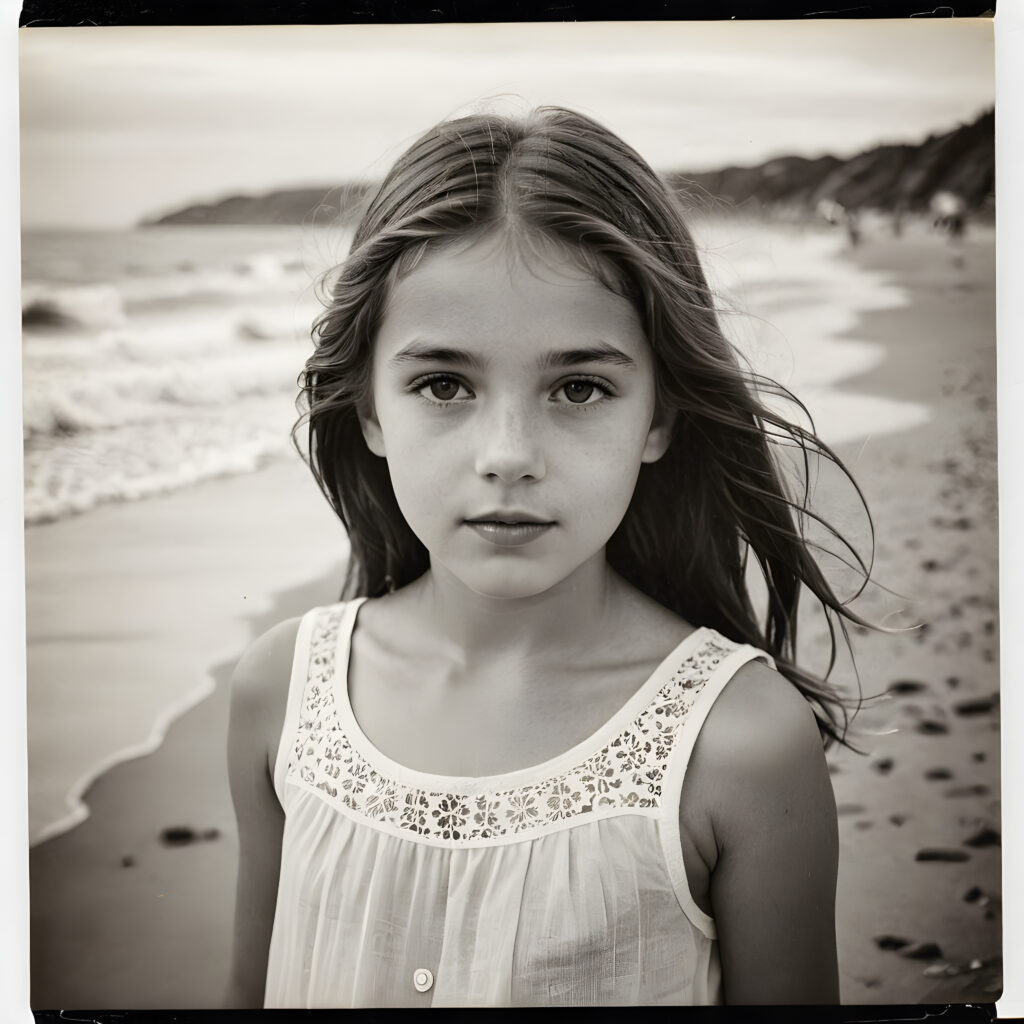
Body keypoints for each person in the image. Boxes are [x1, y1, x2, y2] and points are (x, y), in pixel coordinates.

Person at [226, 106, 873, 1007]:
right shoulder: (283, 692)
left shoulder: (737, 745)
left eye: (579, 387)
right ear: (369, 409)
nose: (508, 452)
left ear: (658, 417)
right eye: (443, 384)